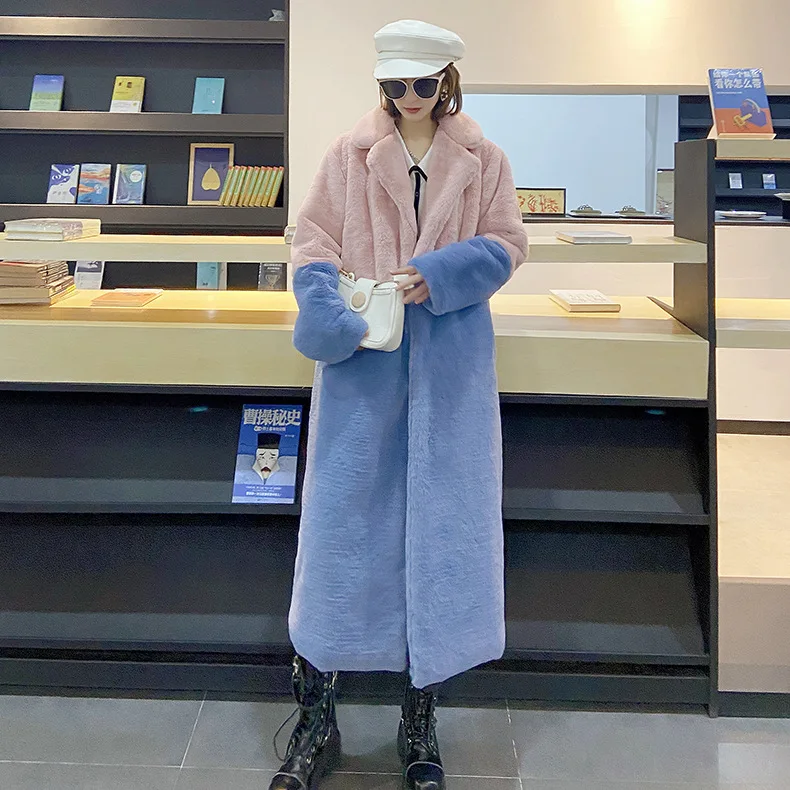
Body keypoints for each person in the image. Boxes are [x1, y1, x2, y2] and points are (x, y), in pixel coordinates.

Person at [270, 18, 527, 790]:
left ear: (447, 81)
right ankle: (316, 723)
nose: (410, 96)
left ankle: (419, 724)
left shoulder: (485, 158)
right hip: (363, 371)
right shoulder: (348, 155)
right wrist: (329, 311)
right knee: (339, 542)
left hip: (449, 374)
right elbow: (311, 240)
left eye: (422, 83)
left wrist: (440, 273)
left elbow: (507, 243)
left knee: (438, 543)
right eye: (395, 85)